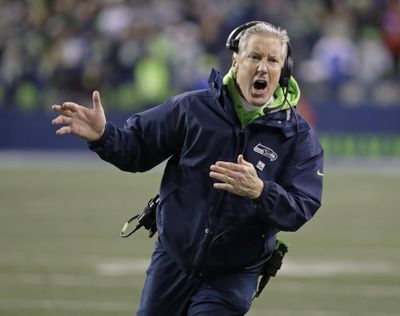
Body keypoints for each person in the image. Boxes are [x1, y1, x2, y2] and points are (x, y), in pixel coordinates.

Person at [52, 21, 324, 316]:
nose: (263, 67)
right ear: (236, 61)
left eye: (273, 60)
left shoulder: (297, 136)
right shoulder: (192, 109)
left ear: (283, 70)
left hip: (235, 272)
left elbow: (302, 206)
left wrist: (260, 192)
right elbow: (137, 150)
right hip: (173, 260)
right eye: (255, 57)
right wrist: (103, 137)